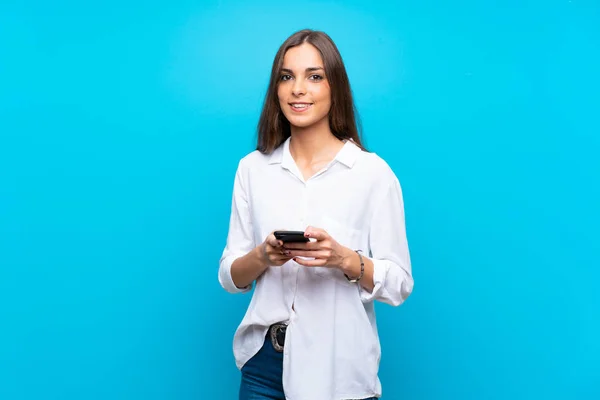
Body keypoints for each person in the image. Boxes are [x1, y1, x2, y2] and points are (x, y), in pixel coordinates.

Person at [218, 29, 414, 400]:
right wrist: (263, 256)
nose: (298, 89)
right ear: (276, 89)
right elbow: (230, 276)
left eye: (314, 76)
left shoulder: (372, 173)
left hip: (338, 371)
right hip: (263, 368)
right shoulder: (252, 169)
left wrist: (344, 258)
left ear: (334, 87)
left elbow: (400, 283)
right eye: (287, 77)